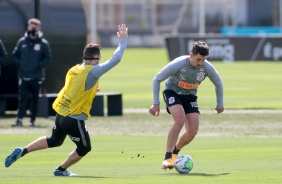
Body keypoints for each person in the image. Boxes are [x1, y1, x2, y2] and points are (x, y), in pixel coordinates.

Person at [4, 24, 128, 176]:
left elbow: (74, 88)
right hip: (74, 118)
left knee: (54, 141)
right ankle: (60, 170)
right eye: (99, 58)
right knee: (84, 148)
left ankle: (23, 151)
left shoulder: (74, 68)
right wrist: (122, 41)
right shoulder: (93, 70)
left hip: (61, 114)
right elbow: (116, 59)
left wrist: (91, 91)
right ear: (95, 59)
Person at [149, 41, 224, 170]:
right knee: (180, 120)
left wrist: (220, 104)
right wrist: (156, 103)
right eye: (198, 59)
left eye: (203, 59)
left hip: (190, 96)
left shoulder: (206, 67)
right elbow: (157, 79)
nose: (200, 63)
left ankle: (175, 152)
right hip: (172, 92)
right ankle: (167, 158)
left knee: (193, 131)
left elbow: (218, 83)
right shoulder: (179, 64)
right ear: (191, 55)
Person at [12, 18, 51, 127]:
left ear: (39, 28)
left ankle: (32, 120)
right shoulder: (22, 42)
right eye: (31, 27)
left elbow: (47, 57)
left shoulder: (43, 44)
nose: (33, 29)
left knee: (35, 99)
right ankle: (19, 119)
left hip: (37, 76)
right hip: (24, 75)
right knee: (22, 98)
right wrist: (21, 64)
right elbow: (15, 54)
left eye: (35, 27)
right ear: (28, 27)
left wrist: (38, 65)